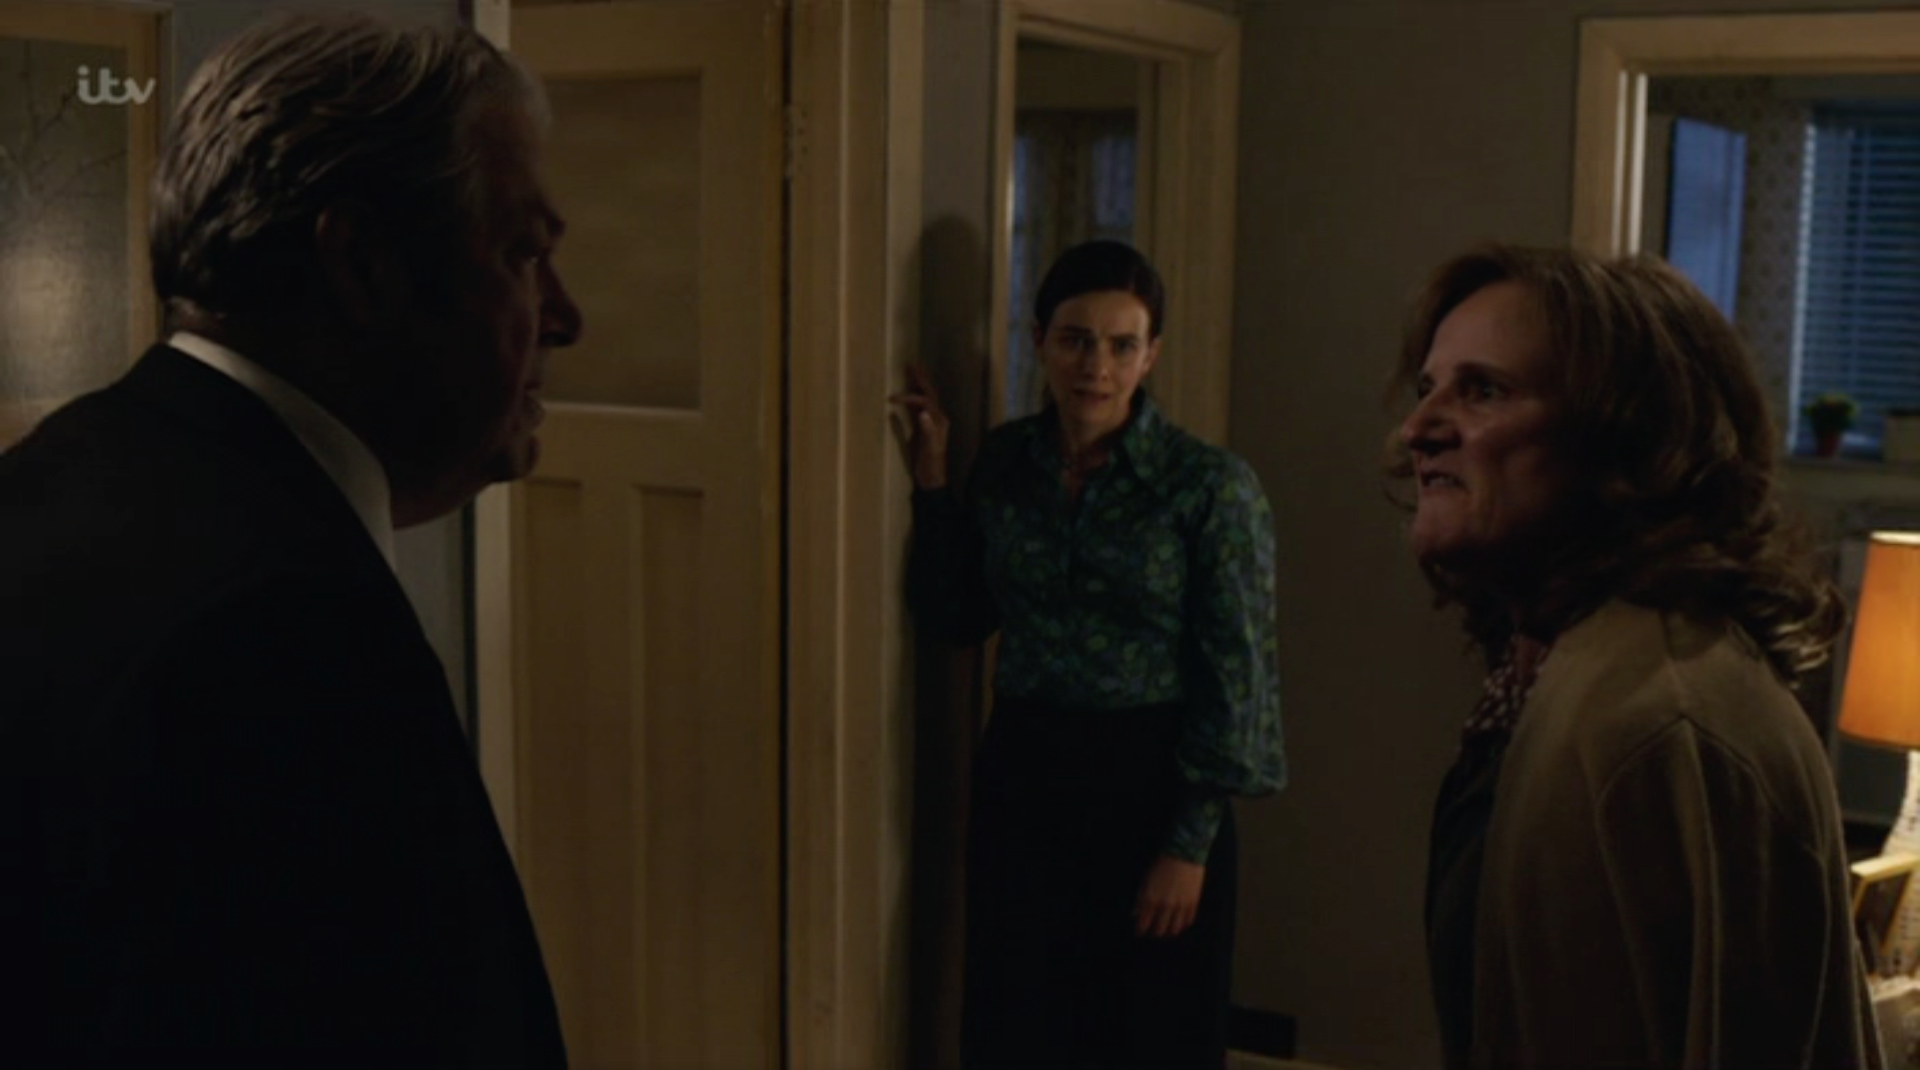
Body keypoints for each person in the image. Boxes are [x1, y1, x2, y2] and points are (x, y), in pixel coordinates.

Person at [0, 11, 582, 1067]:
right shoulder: (287, 640)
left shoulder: (59, 471)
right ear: (361, 263)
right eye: (523, 253)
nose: (565, 316)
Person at [1390, 245, 1883, 1069]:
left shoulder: (1658, 717)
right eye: (1428, 388)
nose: (1420, 429)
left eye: (1483, 391)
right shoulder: (1551, 673)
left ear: (1628, 440)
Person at [891, 239, 1285, 1069]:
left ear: (1151, 354)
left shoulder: (1209, 486)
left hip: (1153, 782)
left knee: (1151, 1033)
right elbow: (958, 615)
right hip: (1026, 774)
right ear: (1040, 340)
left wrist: (1187, 845)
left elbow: (1238, 678)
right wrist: (931, 483)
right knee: (1019, 1023)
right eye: (1075, 340)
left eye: (1120, 344)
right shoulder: (1006, 462)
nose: (1096, 366)